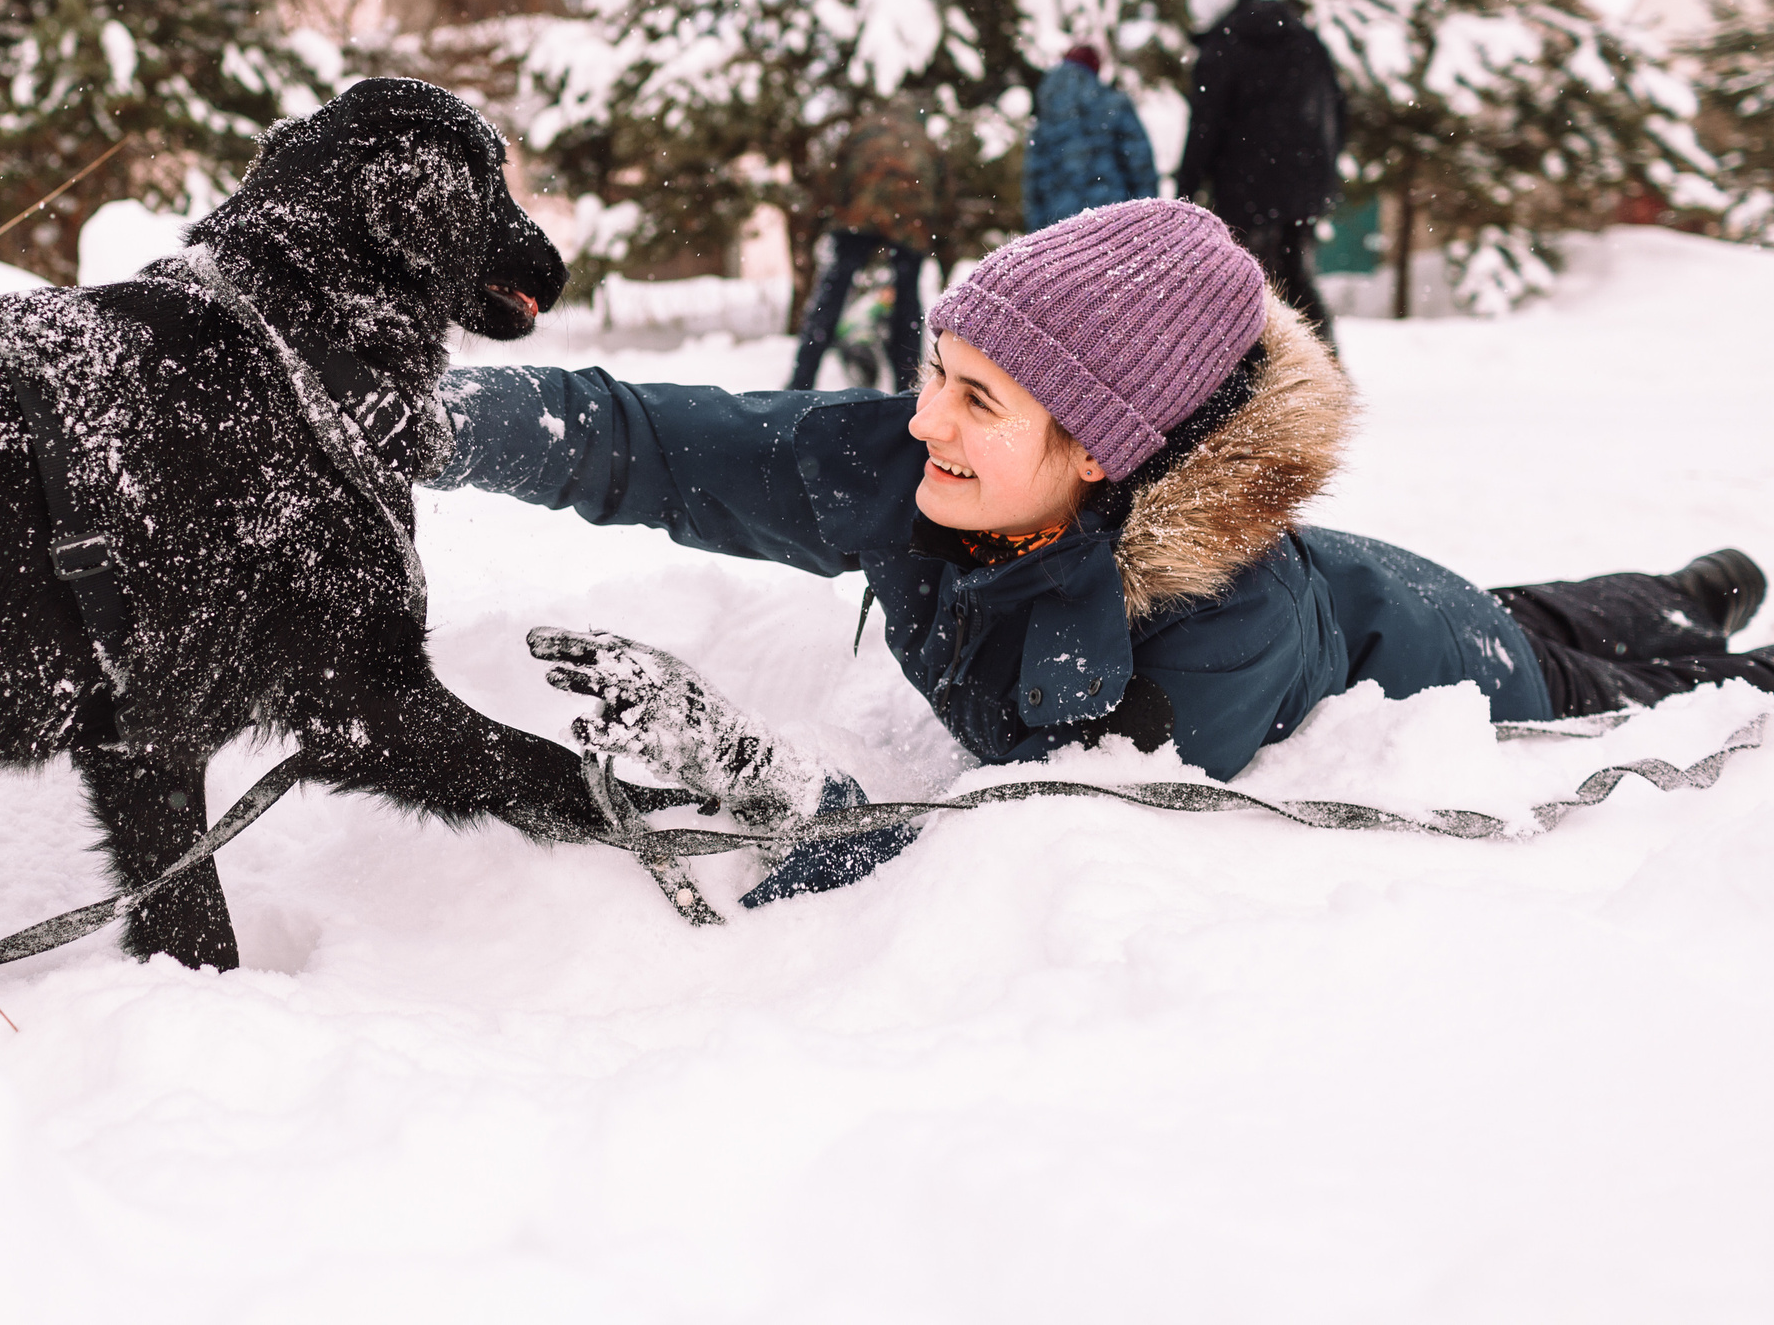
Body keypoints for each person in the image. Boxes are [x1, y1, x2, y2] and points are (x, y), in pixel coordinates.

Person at [436, 199, 1771, 903]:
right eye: (937, 370)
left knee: (1602, 666)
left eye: (977, 398)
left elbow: (1035, 822)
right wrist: (420, 416)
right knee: (1574, 598)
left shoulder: (1204, 639)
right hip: (1390, 573)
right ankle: (1694, 582)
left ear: (1104, 453)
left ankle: (1718, 633)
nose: (922, 417)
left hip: (1444, 657)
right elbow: (660, 444)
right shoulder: (937, 464)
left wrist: (774, 786)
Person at [1176, 0, 1349, 349]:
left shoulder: (1224, 46)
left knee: (1249, 289)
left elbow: (1205, 126)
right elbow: (1339, 109)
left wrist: (1186, 191)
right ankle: (1326, 369)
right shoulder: (1306, 40)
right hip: (1303, 191)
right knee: (1295, 280)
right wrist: (1322, 172)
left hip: (1244, 189)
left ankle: (1258, 379)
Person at [787, 109, 938, 392]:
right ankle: (908, 393)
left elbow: (833, 177)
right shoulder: (923, 138)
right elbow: (941, 190)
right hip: (909, 220)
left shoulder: (861, 130)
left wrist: (831, 219)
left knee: (831, 295)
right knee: (907, 304)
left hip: (858, 215)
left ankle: (800, 382)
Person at [1020, 43, 1159, 231]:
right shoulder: (1113, 105)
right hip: (1113, 219)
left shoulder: (1045, 117)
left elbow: (1033, 179)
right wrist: (1148, 219)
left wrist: (1036, 231)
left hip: (1060, 226)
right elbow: (1140, 163)